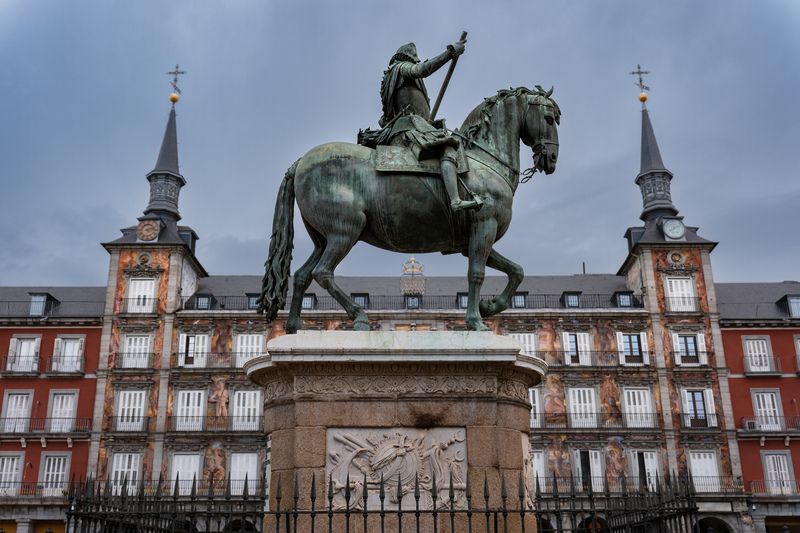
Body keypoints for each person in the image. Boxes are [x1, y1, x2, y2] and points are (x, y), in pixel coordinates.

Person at [376, 38, 482, 212]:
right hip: (410, 127)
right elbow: (422, 70)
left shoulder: (394, 78)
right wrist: (450, 53)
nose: (417, 59)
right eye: (415, 56)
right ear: (408, 56)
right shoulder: (401, 68)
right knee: (447, 148)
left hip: (415, 125)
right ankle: (455, 200)